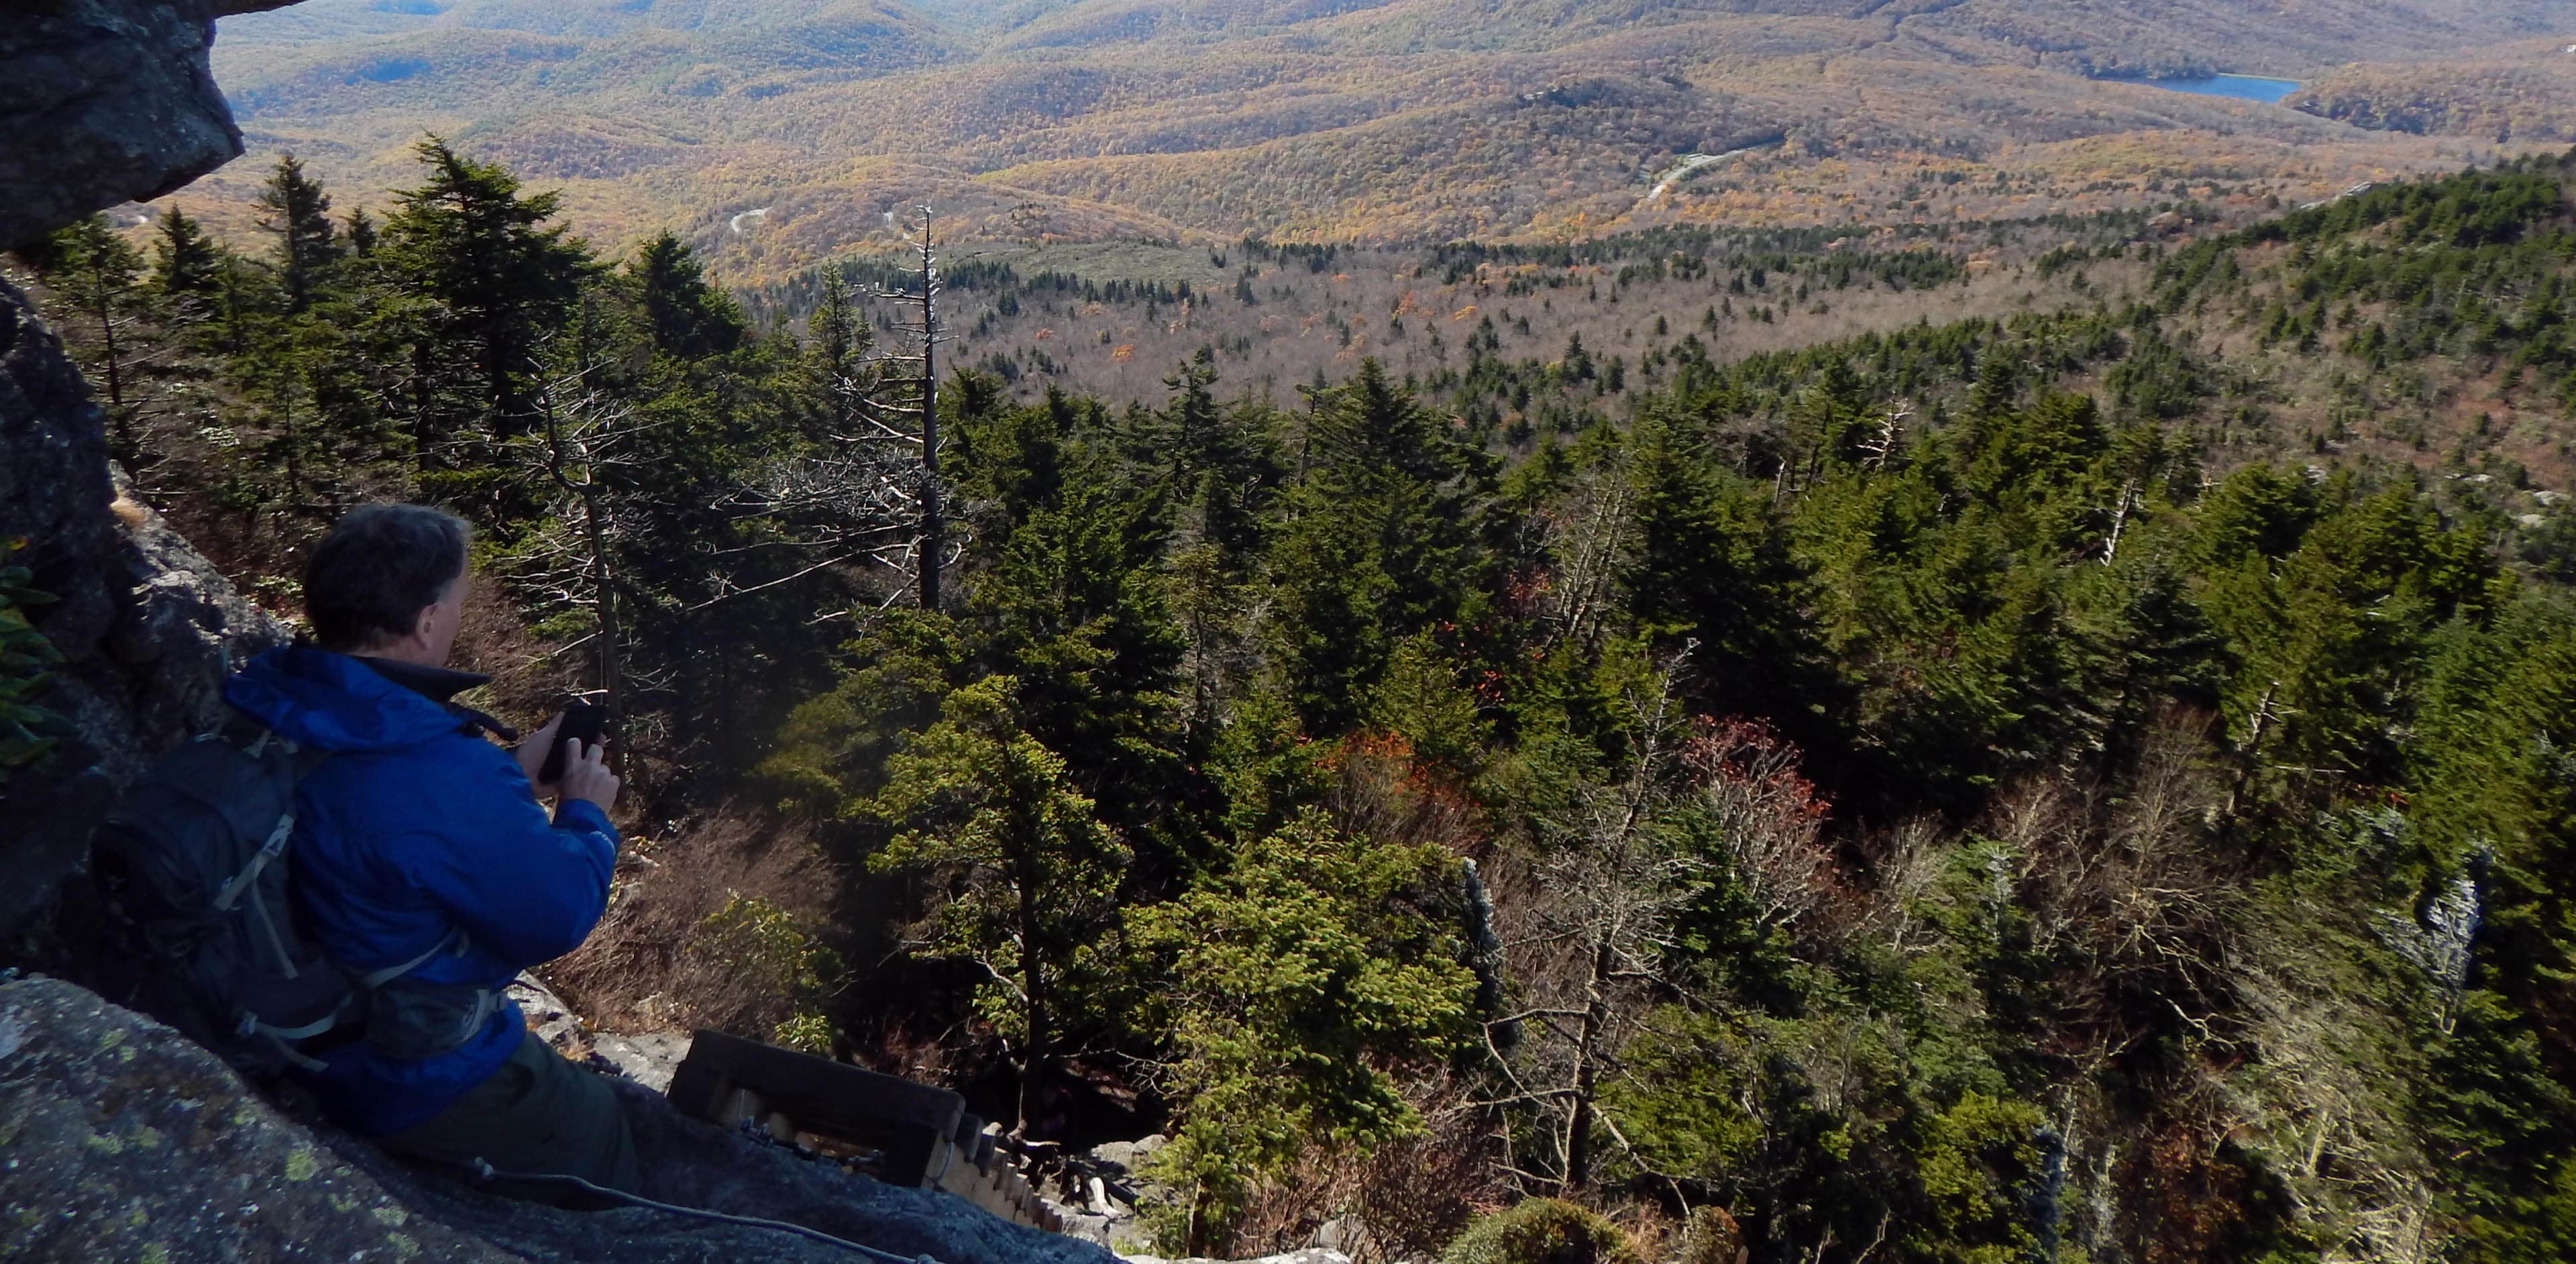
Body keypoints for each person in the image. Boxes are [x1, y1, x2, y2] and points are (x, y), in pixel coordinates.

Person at [223, 503, 639, 1195]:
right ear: (424, 623)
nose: (456, 616)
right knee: (599, 1126)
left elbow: (386, 825)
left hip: (275, 1016)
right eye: (454, 602)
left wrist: (505, 778)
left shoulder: (269, 690)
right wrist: (584, 813)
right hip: (394, 1067)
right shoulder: (431, 769)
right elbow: (555, 914)